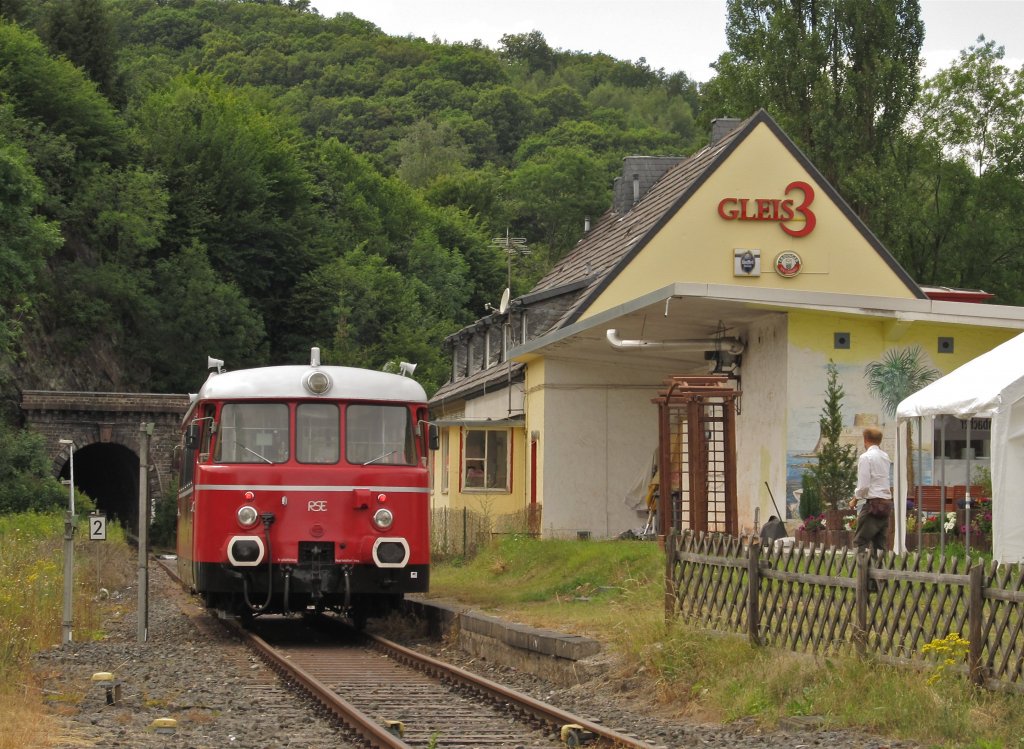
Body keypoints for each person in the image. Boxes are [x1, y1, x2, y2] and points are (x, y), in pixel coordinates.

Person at [849, 426, 892, 555]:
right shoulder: (885, 457)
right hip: (886, 504)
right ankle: (880, 574)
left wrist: (855, 499)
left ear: (865, 440)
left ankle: (863, 573)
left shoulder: (865, 457)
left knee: (860, 542)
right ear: (879, 441)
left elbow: (864, 486)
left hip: (873, 505)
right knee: (879, 544)